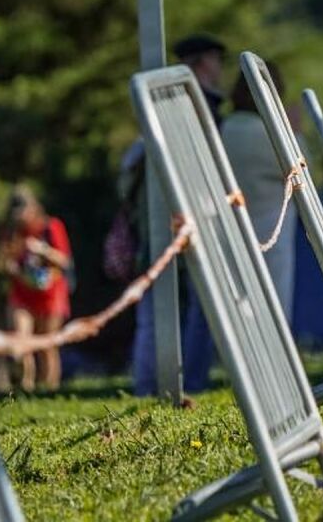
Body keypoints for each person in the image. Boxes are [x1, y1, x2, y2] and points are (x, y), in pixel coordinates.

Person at [131, 34, 228, 396]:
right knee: (201, 304)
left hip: (166, 218)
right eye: (217, 60)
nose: (220, 69)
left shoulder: (166, 105)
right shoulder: (205, 108)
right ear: (203, 62)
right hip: (190, 217)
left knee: (157, 307)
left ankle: (149, 383)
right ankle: (190, 383)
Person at [221, 59, 297, 319]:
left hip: (229, 226)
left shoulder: (223, 128)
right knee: (273, 303)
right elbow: (301, 172)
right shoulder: (272, 135)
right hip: (271, 229)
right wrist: (295, 131)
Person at [0, 185, 73, 391]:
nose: (20, 217)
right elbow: (3, 262)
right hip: (22, 292)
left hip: (51, 293)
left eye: (23, 211)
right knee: (22, 340)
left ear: (33, 207)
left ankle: (49, 391)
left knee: (47, 344)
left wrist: (43, 250)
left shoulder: (51, 227)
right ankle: (25, 388)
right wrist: (11, 267)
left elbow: (64, 261)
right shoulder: (11, 231)